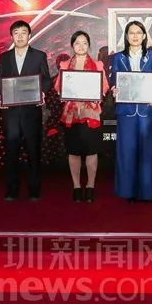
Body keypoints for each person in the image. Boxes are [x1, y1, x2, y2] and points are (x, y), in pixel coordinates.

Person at [0, 20, 51, 201]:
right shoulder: (4, 57)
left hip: (31, 111)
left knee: (33, 151)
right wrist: (0, 95)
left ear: (29, 35)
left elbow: (47, 80)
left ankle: (34, 189)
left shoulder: (39, 56)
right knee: (11, 152)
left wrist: (42, 92)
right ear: (11, 36)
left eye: (23, 32)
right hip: (10, 112)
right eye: (16, 33)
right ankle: (12, 190)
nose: (20, 36)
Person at [110, 21, 152, 202]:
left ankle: (147, 191)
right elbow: (114, 78)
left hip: (147, 111)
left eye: (138, 33)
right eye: (131, 33)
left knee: (148, 152)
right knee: (127, 152)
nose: (135, 36)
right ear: (126, 36)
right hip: (126, 111)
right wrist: (114, 89)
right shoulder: (118, 57)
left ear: (144, 36)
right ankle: (128, 192)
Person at [54, 31, 109, 203]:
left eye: (84, 43)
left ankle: (90, 186)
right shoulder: (65, 65)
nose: (81, 46)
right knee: (74, 151)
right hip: (72, 114)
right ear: (72, 46)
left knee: (92, 151)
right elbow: (58, 87)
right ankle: (77, 186)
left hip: (90, 113)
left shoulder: (97, 65)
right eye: (77, 43)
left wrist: (97, 95)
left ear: (89, 45)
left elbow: (104, 87)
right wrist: (65, 93)